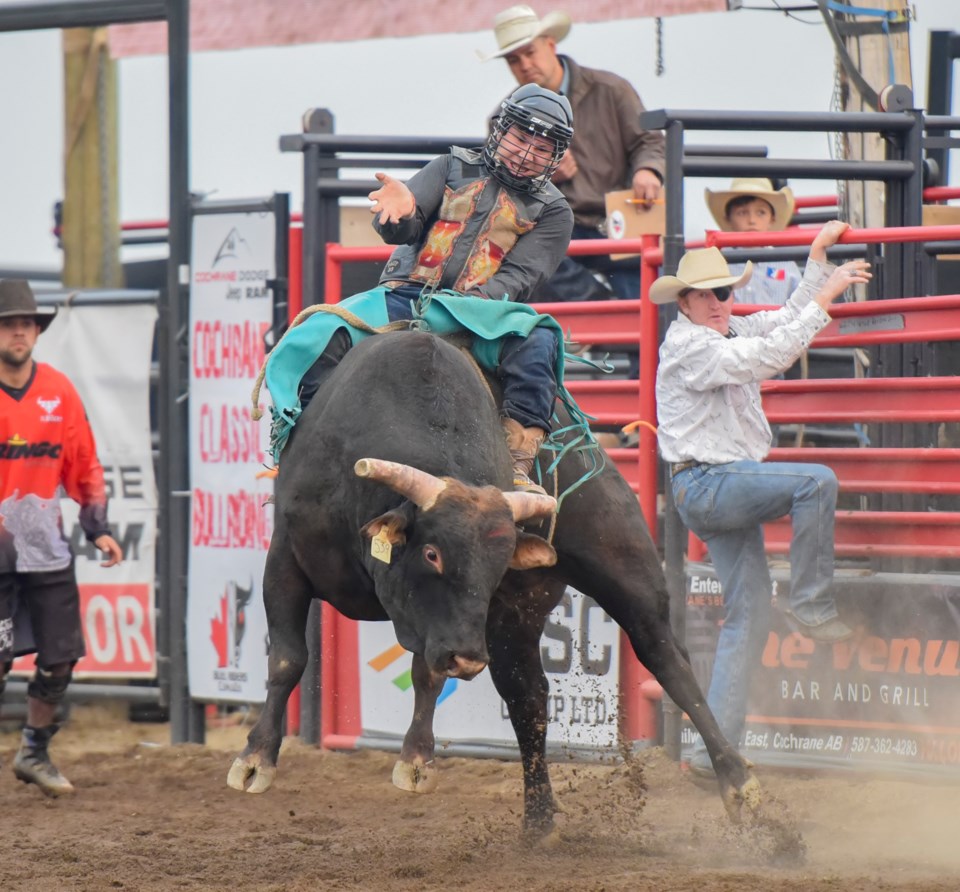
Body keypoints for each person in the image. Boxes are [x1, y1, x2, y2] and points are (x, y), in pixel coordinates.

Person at [651, 221, 871, 778]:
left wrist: (815, 260)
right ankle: (812, 604)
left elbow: (779, 323)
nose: (719, 302)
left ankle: (713, 755)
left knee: (747, 619)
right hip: (709, 484)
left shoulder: (713, 336)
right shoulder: (693, 347)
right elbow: (770, 353)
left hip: (712, 485)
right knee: (815, 481)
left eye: (724, 292)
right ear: (685, 301)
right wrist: (823, 296)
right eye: (706, 295)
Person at [293, 83, 576, 495]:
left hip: (482, 314)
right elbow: (402, 225)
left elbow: (519, 277)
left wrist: (468, 305)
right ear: (502, 129)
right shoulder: (450, 166)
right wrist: (398, 216)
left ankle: (517, 465)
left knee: (540, 340)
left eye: (543, 146)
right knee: (318, 332)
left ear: (555, 157)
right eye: (521, 136)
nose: (527, 151)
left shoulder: (554, 212)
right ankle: (304, 444)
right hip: (405, 294)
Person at [0, 279, 124, 797]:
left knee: (61, 655)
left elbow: (83, 464)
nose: (20, 332)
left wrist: (97, 529)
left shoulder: (58, 389)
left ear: (37, 331)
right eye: (9, 324)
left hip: (46, 549)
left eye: (26, 323)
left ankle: (33, 750)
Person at [480, 4, 665, 303]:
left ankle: (610, 323)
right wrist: (542, 174)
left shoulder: (611, 90)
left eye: (529, 53)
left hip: (619, 218)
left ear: (550, 45)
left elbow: (649, 142)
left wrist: (649, 170)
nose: (524, 65)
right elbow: (499, 182)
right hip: (556, 223)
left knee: (643, 284)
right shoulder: (502, 119)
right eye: (514, 60)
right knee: (529, 254)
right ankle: (605, 313)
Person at [704, 178, 801, 306]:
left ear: (772, 219)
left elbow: (801, 309)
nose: (752, 220)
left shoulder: (786, 264)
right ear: (728, 220)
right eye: (742, 212)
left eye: (761, 213)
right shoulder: (716, 263)